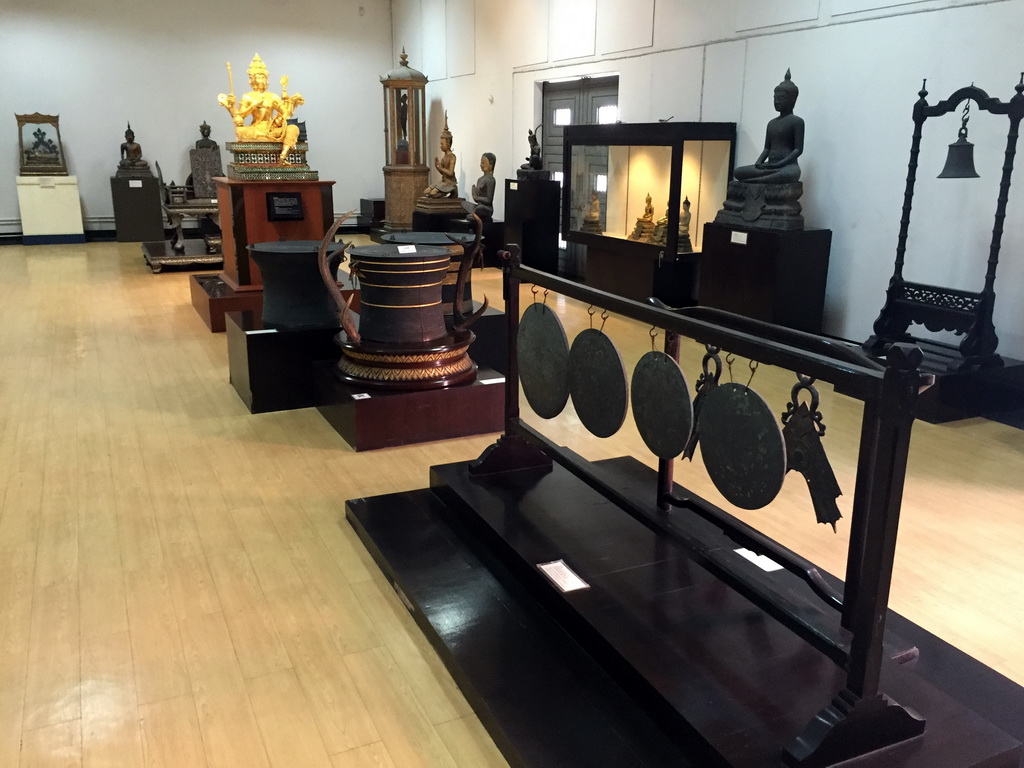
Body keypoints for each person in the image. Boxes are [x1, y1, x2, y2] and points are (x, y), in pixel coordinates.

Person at [217, 53, 304, 164]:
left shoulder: (272, 96)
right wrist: (250, 106)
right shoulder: (248, 96)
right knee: (240, 131)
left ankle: (283, 155)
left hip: (271, 129)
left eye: (262, 77)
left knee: (293, 128)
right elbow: (239, 117)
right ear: (252, 79)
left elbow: (286, 113)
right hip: (256, 129)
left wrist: (284, 111)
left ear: (266, 78)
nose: (260, 80)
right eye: (257, 77)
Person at [733, 70, 804, 184]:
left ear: (792, 100)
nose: (776, 101)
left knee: (787, 175)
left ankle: (756, 182)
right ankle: (760, 181)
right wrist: (759, 162)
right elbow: (767, 148)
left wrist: (780, 164)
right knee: (738, 172)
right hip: (770, 166)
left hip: (787, 167)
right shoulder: (771, 123)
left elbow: (798, 150)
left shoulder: (797, 122)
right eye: (774, 98)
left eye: (780, 98)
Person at [422, 112, 458, 198]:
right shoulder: (444, 157)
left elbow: (450, 173)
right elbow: (442, 173)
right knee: (427, 192)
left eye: (442, 144)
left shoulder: (452, 156)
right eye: (440, 144)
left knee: (433, 194)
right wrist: (437, 167)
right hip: (443, 181)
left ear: (448, 143)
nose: (440, 146)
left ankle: (454, 190)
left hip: (450, 182)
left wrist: (441, 168)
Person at [463, 153, 496, 219]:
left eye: (483, 163)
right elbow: (477, 201)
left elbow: (489, 200)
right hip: (479, 206)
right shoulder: (480, 179)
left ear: (491, 164)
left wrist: (477, 197)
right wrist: (474, 195)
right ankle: (475, 213)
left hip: (487, 208)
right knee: (463, 203)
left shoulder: (491, 180)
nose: (481, 165)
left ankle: (475, 214)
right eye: (481, 163)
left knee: (480, 208)